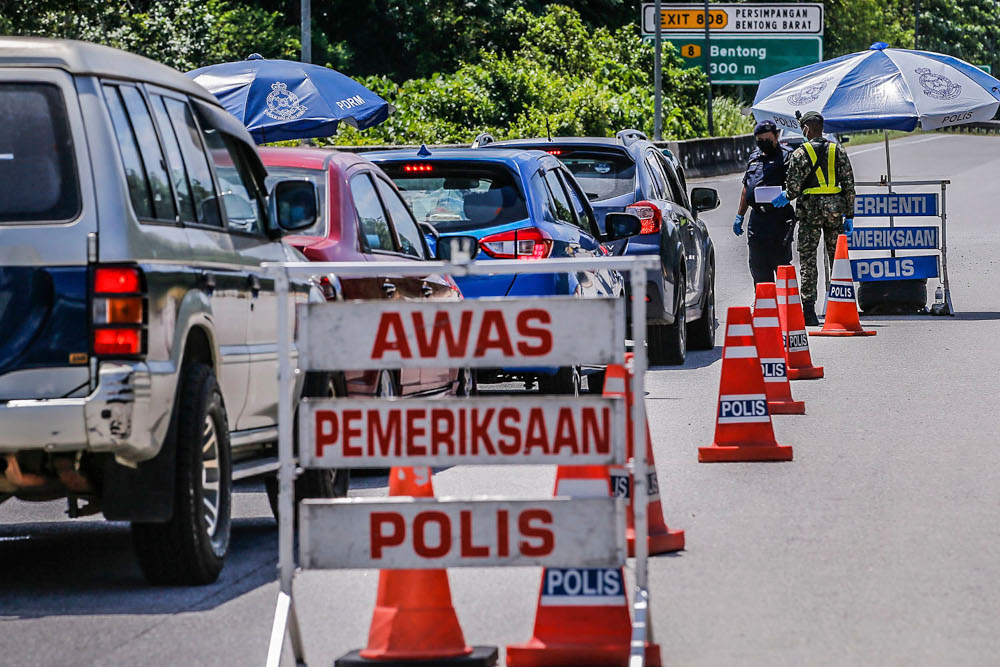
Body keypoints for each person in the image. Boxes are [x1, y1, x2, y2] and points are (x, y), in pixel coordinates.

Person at [771, 111, 856, 325]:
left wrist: (786, 196)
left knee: (808, 260)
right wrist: (850, 214)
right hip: (834, 211)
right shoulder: (838, 150)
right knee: (837, 259)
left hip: (810, 211)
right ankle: (840, 304)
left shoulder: (800, 153)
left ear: (807, 128)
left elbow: (792, 187)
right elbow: (849, 185)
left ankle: (809, 310)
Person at [733, 120, 795, 286]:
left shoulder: (787, 157)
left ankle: (785, 306)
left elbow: (797, 184)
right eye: (760, 140)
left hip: (779, 219)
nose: (763, 143)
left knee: (780, 263)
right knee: (758, 265)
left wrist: (787, 194)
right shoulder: (754, 158)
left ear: (776, 136)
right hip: (757, 220)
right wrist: (740, 216)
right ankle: (764, 305)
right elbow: (747, 188)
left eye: (767, 140)